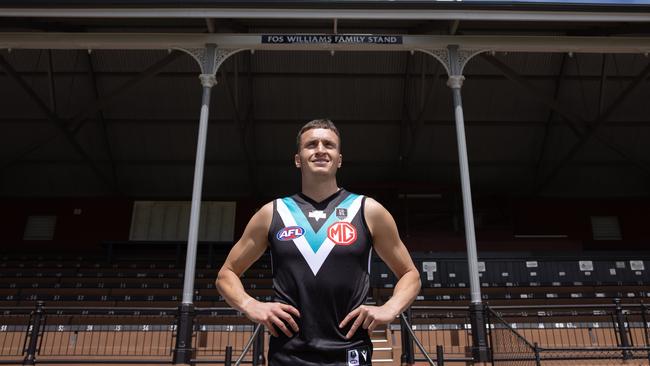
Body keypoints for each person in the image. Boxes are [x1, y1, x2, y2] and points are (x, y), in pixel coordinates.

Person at [216, 119, 420, 366]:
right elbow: (226, 274)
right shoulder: (273, 212)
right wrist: (249, 304)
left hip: (350, 352)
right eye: (311, 144)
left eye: (329, 145)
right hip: (288, 355)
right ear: (298, 159)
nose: (321, 149)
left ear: (339, 159)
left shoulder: (368, 210)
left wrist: (390, 308)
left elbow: (410, 274)